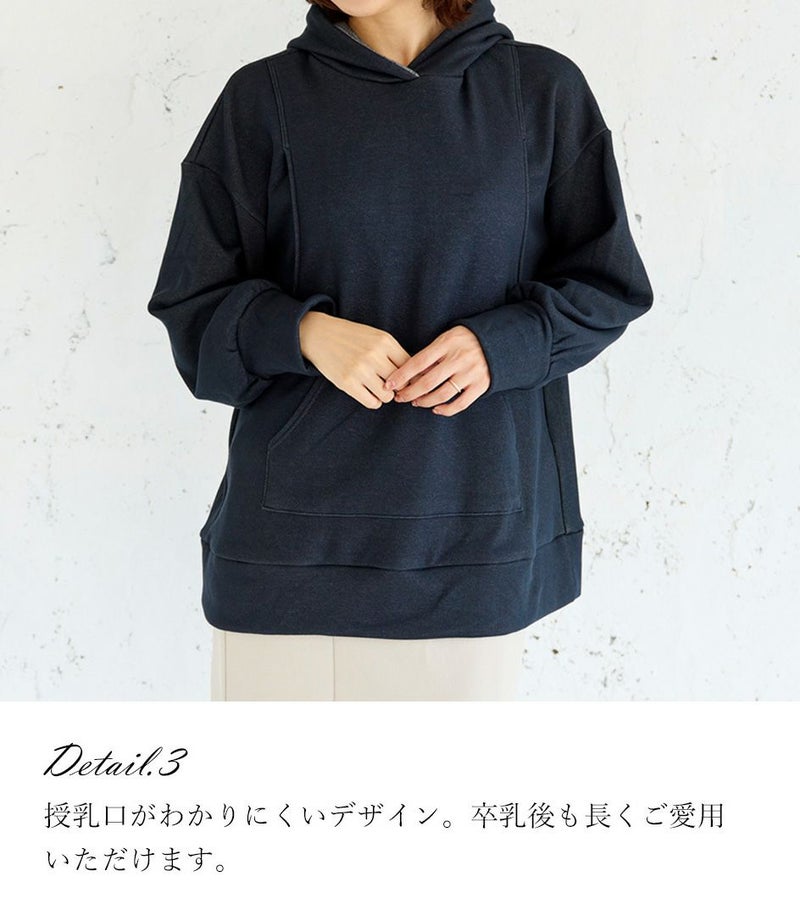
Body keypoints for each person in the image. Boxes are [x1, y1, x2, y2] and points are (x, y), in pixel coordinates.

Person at [146, 0, 654, 700]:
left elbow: (609, 285)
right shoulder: (263, 99)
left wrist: (503, 345)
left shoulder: (540, 91)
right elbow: (191, 306)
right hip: (288, 558)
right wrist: (303, 333)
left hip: (475, 544)